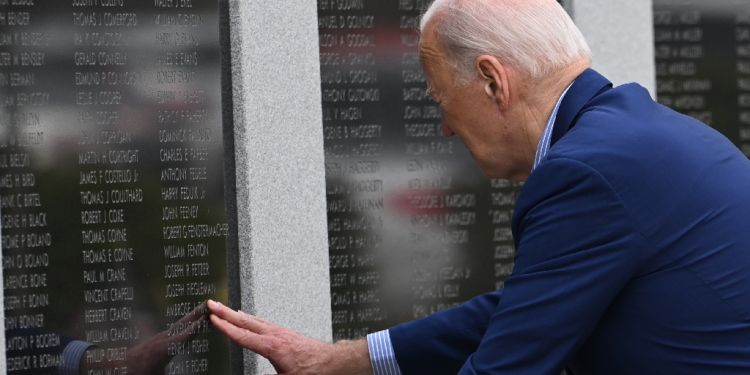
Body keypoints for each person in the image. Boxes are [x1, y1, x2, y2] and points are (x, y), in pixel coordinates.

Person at [208, 0, 750, 374]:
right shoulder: (638, 133)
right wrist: (335, 362)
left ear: (493, 81)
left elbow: (507, 362)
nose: (444, 128)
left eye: (442, 101)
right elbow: (530, 309)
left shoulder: (590, 173)